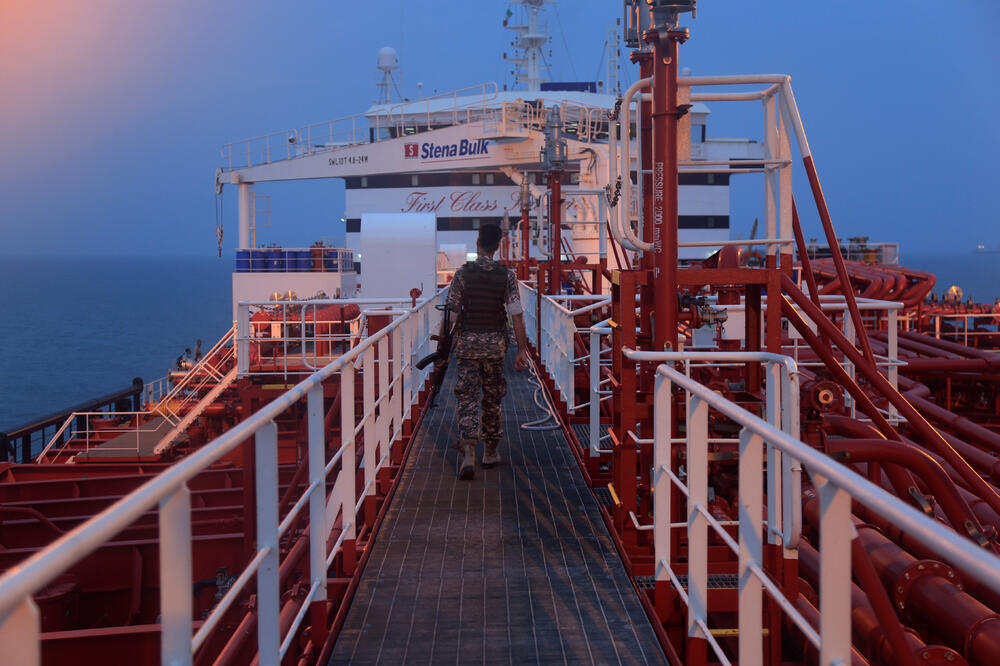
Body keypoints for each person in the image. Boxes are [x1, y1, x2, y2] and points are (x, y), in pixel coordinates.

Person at [444, 223, 529, 480]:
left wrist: (444, 348)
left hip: (468, 345)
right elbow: (517, 317)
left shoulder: (462, 275)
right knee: (492, 397)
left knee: (467, 397)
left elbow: (452, 314)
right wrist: (521, 350)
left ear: (478, 242)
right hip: (495, 347)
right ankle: (490, 451)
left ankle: (468, 452)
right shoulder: (507, 276)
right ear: (498, 245)